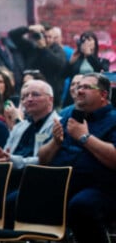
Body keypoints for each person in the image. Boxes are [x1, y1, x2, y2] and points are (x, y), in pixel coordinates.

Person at [38, 73, 116, 243]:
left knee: (82, 206)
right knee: (15, 200)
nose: (79, 90)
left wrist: (84, 137)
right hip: (60, 185)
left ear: (103, 95)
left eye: (86, 87)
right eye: (78, 86)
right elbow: (42, 160)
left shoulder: (113, 120)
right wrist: (55, 143)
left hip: (101, 189)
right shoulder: (67, 117)